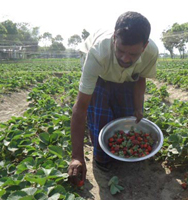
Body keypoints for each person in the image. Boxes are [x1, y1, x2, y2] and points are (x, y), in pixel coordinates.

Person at [67, 11, 159, 185]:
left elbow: (140, 78)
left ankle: (118, 154)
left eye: (133, 54)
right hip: (101, 72)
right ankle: (101, 155)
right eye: (121, 50)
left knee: (126, 116)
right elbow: (81, 107)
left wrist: (138, 108)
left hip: (126, 77)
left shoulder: (151, 52)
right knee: (100, 114)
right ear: (115, 37)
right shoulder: (97, 53)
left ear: (144, 46)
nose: (125, 58)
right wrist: (77, 156)